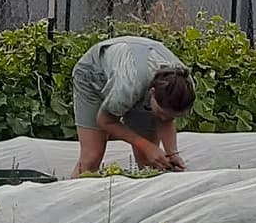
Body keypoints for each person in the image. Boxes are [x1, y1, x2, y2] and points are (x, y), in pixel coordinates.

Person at [71, 34, 196, 176]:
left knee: (151, 164)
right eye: (161, 113)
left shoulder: (184, 85)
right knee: (91, 158)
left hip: (138, 77)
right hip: (93, 75)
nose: (163, 119)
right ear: (152, 93)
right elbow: (105, 120)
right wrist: (146, 146)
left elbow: (167, 118)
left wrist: (172, 154)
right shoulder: (130, 86)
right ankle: (72, 195)